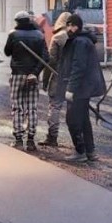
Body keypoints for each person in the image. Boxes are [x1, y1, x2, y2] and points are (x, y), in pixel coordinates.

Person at [58, 14, 105, 163]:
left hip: (80, 88)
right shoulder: (83, 40)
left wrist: (71, 88)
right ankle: (90, 151)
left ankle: (80, 151)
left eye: (72, 25)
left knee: (73, 119)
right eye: (68, 25)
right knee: (84, 119)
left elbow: (78, 66)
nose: (69, 28)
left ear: (77, 26)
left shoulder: (79, 42)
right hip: (85, 87)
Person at [3, 10, 48, 151]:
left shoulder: (13, 35)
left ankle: (18, 140)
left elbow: (7, 52)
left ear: (17, 22)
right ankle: (31, 140)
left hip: (17, 74)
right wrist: (35, 73)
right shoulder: (39, 35)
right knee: (32, 108)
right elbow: (45, 58)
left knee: (17, 108)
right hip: (33, 77)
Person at [38, 11, 71, 148]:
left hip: (58, 77)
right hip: (73, 79)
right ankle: (79, 139)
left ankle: (52, 137)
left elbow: (50, 62)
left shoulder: (57, 37)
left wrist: (45, 81)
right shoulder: (76, 38)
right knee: (74, 109)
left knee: (55, 107)